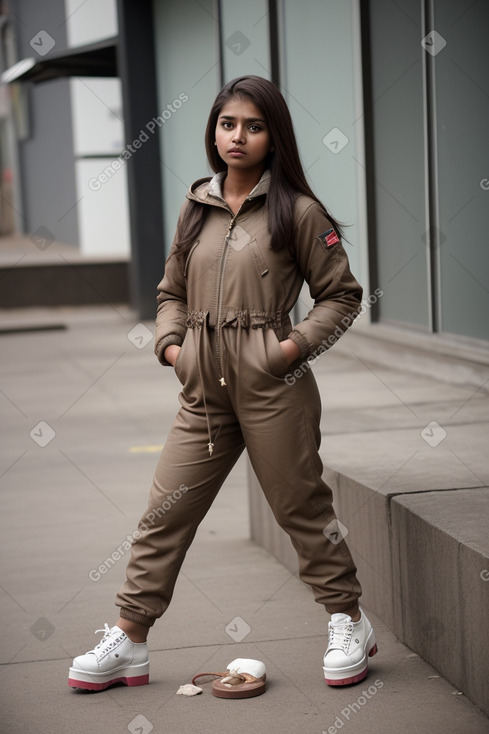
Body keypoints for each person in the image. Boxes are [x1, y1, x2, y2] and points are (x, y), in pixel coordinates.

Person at [68, 75, 377, 692]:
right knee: (164, 513)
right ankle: (129, 638)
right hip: (201, 387)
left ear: (273, 136)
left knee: (302, 510)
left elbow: (341, 296)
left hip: (272, 385)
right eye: (227, 123)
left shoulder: (300, 212)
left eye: (253, 126)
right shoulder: (195, 205)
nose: (238, 136)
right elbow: (170, 293)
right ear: (214, 131)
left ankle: (348, 621)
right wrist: (172, 348)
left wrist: (288, 348)